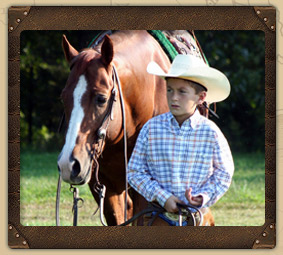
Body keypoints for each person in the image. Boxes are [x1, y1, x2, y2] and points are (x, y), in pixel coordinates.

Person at [127, 54, 234, 226]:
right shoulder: (151, 129)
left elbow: (224, 173)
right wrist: (163, 197)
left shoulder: (211, 132)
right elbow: (134, 171)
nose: (174, 97)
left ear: (201, 97)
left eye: (182, 91)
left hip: (198, 219)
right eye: (169, 90)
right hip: (158, 218)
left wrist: (204, 196)